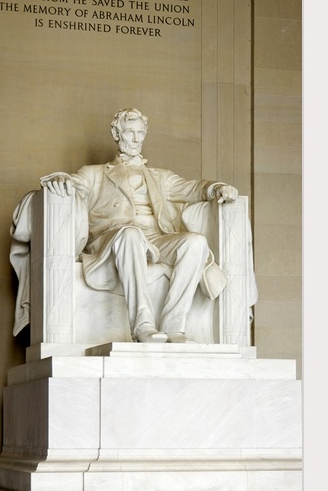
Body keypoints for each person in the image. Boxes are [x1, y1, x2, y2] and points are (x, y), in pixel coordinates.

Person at [40, 108, 239, 344]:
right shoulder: (94, 174)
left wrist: (217, 188)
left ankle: (174, 327)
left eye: (140, 133)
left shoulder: (161, 177)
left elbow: (193, 188)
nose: (136, 139)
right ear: (116, 134)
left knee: (195, 242)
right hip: (111, 239)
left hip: (154, 239)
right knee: (131, 234)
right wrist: (61, 179)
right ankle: (143, 326)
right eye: (129, 132)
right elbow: (74, 184)